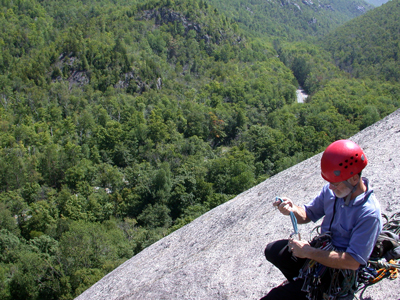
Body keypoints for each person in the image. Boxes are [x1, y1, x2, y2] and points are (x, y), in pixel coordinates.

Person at [261, 139, 382, 300]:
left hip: (337, 273)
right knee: (273, 251)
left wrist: (309, 252)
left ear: (354, 179)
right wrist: (292, 208)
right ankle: (301, 283)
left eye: (335, 183)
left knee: (276, 297)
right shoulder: (334, 191)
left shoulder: (369, 214)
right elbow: (308, 214)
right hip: (318, 254)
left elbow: (353, 262)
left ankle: (312, 292)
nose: (330, 187)